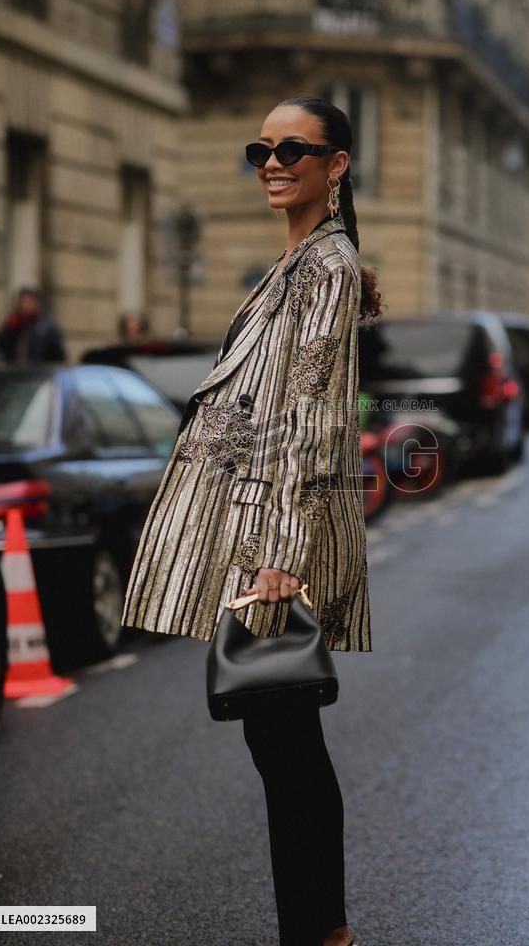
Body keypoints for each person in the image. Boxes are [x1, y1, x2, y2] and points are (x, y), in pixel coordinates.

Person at [121, 96, 382, 946]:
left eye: (294, 149)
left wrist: (278, 556)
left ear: (335, 164)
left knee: (286, 741)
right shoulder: (298, 260)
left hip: (269, 535)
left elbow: (307, 414)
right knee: (281, 741)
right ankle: (319, 930)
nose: (273, 163)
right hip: (254, 523)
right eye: (260, 149)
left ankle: (321, 933)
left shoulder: (327, 267)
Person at [0, 287, 66, 363]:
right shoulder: (13, 324)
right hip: (15, 372)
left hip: (39, 373)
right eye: (22, 302)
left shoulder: (47, 328)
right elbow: (0, 347)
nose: (24, 306)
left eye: (28, 302)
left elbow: (58, 356)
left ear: (35, 303)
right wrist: (10, 329)